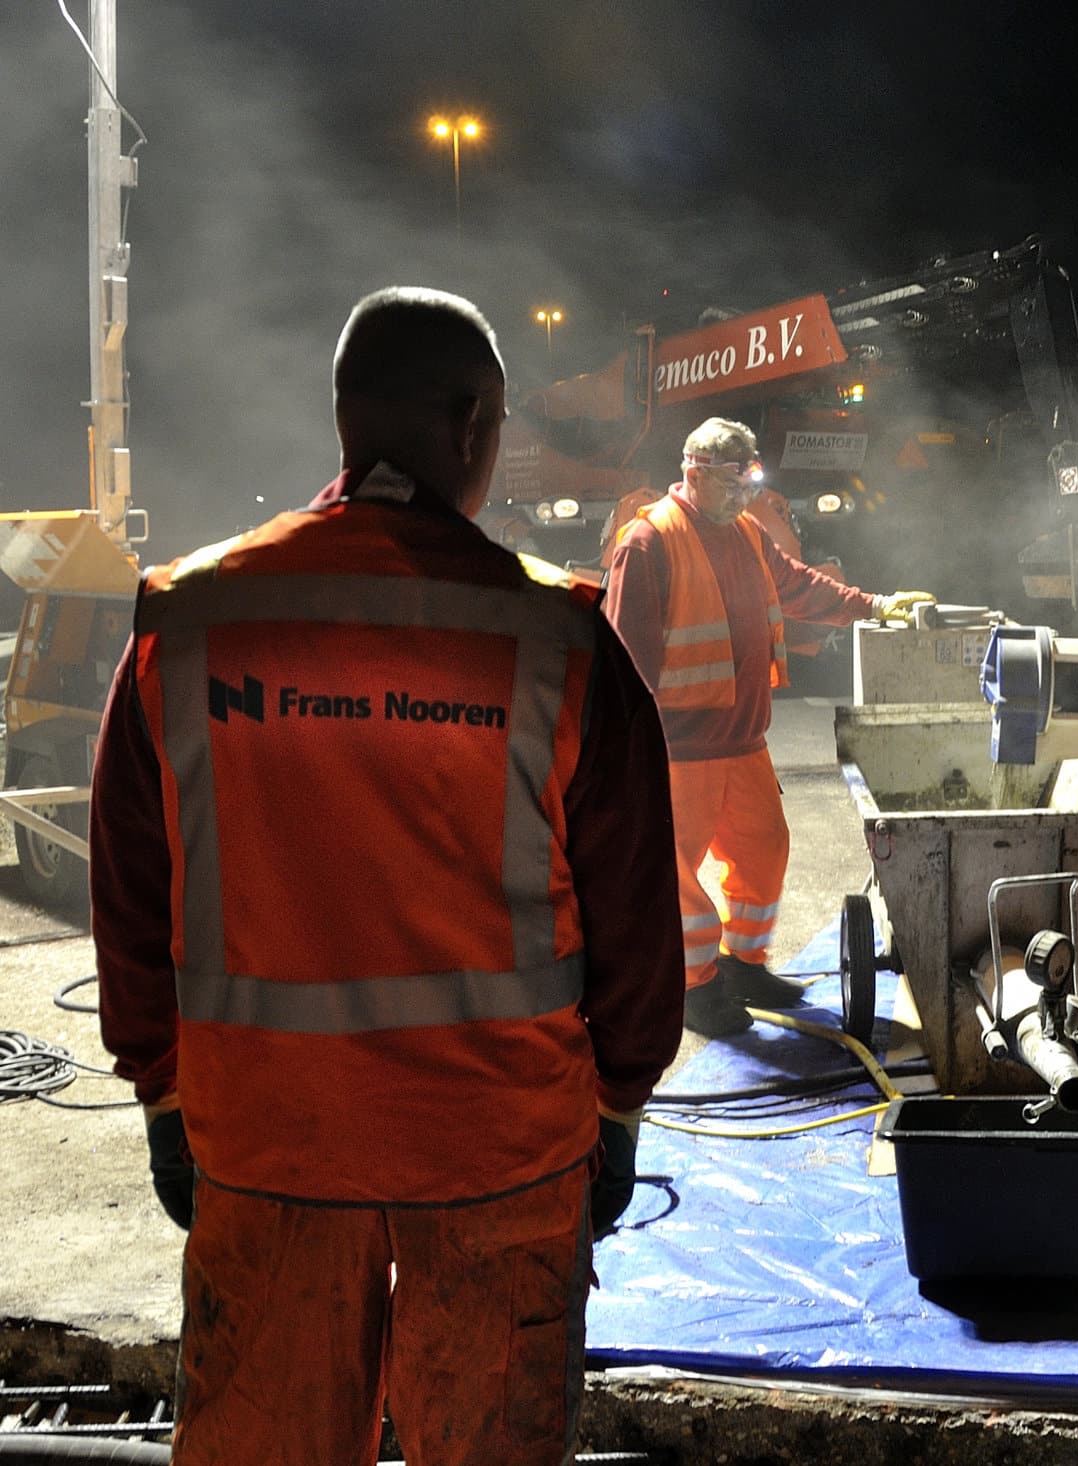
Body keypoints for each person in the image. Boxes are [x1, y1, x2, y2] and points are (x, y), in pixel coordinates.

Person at [92, 287, 686, 1463]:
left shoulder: (196, 617)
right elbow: (634, 917)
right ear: (472, 425)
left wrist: (163, 1090)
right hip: (500, 1154)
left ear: (344, 420)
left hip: (267, 1145)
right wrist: (618, 1105)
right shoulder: (559, 638)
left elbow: (127, 888)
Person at [603, 416, 932, 1032]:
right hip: (676, 751)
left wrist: (876, 606)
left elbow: (800, 587)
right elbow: (623, 662)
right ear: (692, 472)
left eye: (752, 481)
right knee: (673, 878)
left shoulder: (747, 532)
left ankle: (742, 966)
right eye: (733, 481)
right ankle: (694, 990)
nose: (745, 495)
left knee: (763, 854)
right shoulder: (648, 543)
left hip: (742, 743)